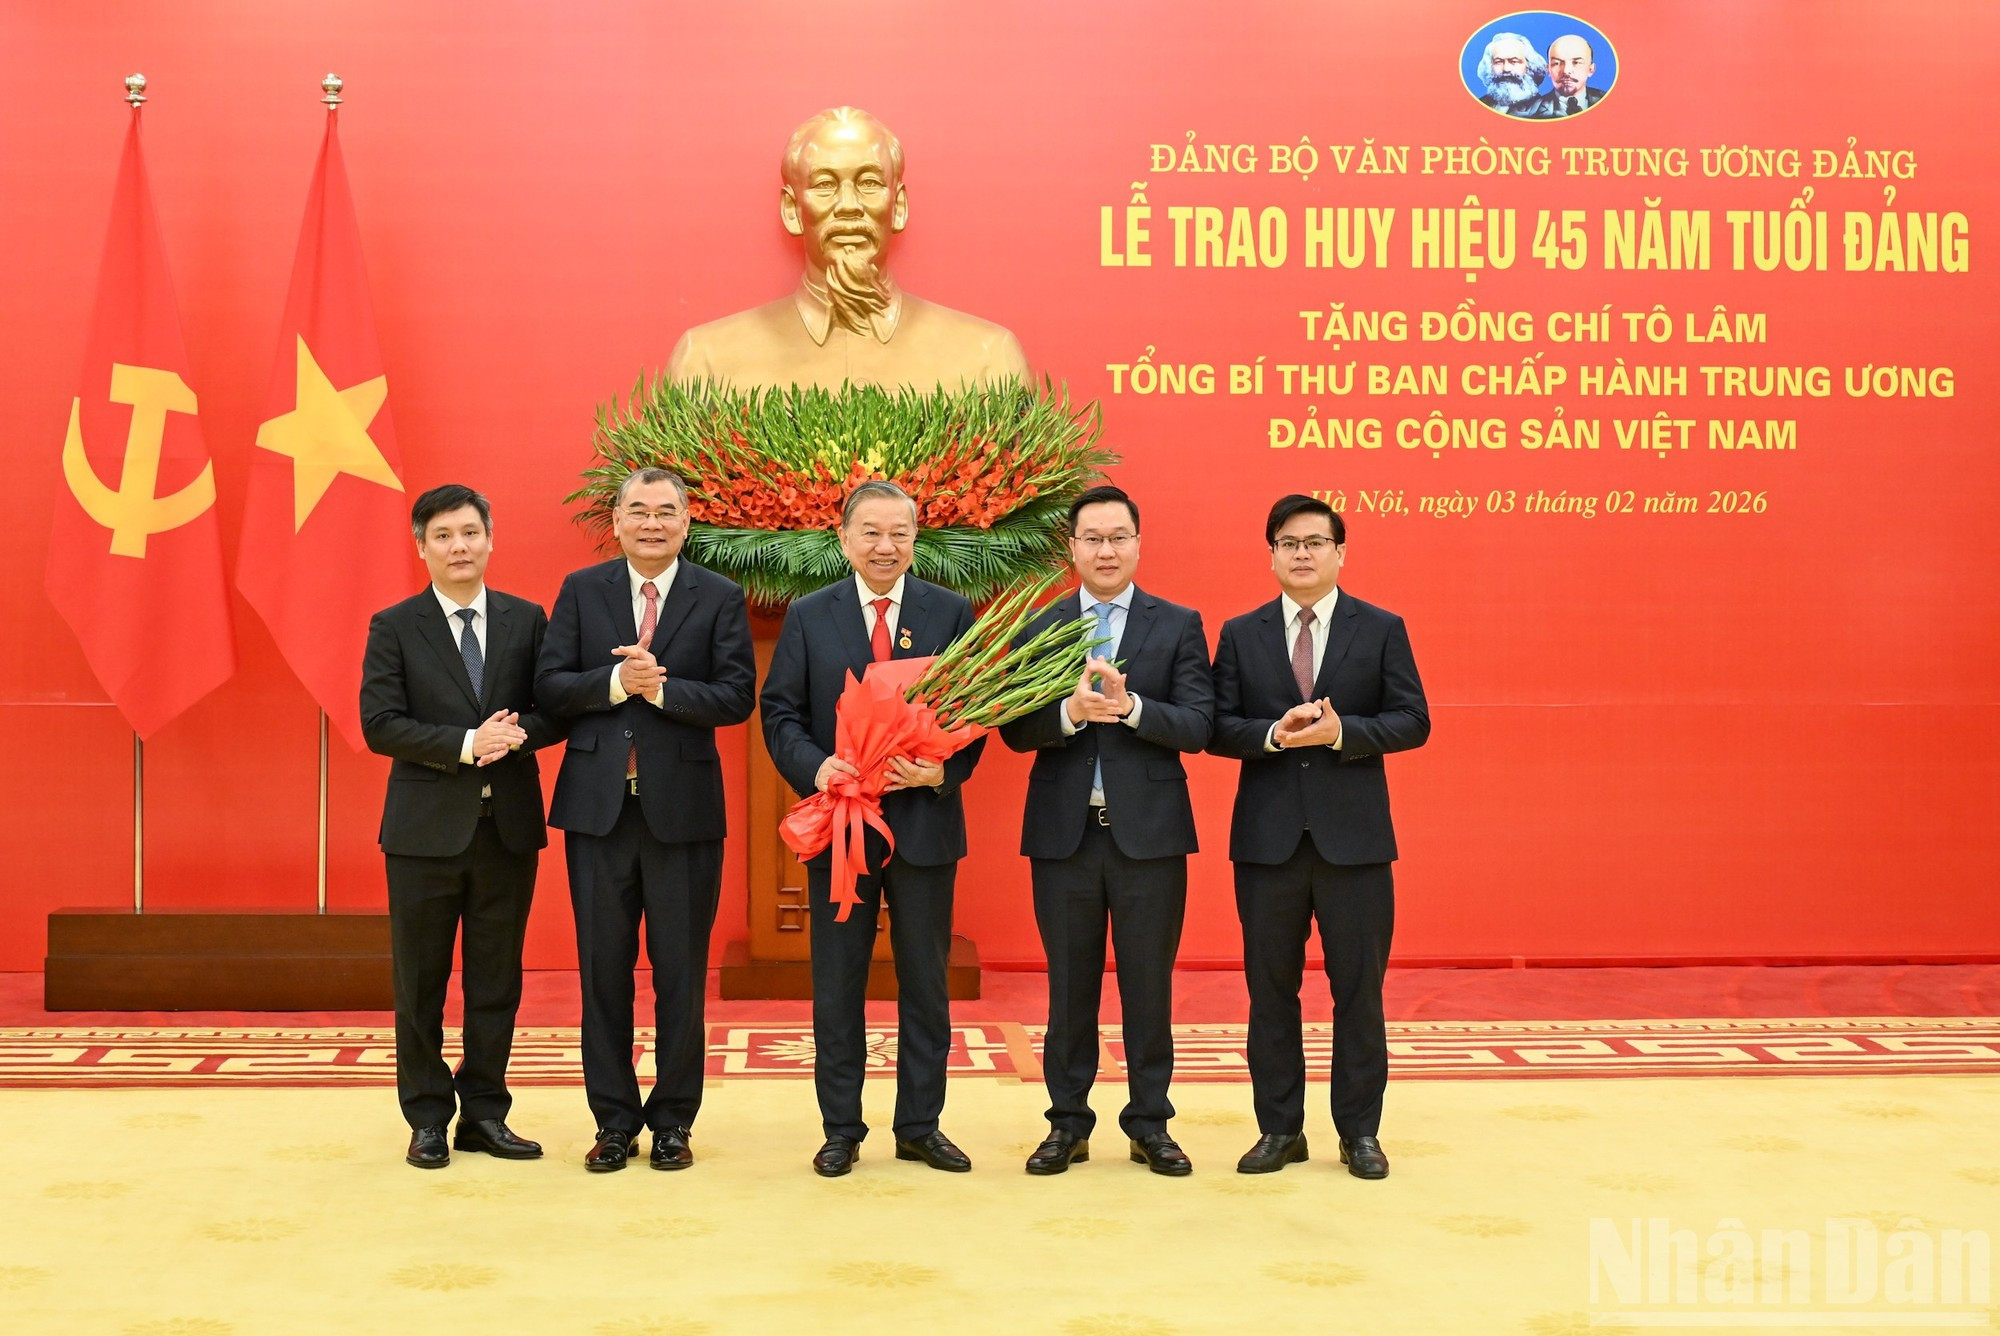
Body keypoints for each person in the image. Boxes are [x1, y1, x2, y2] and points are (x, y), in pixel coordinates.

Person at [759, 480, 986, 1177]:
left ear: (917, 539)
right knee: (839, 979)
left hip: (923, 824)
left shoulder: (948, 612)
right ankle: (841, 1128)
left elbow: (978, 711)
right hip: (842, 824)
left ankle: (921, 1123)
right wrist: (816, 766)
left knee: (925, 980)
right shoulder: (808, 615)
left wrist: (940, 773)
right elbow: (780, 714)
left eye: (900, 533)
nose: (886, 546)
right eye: (872, 533)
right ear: (845, 539)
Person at [535, 467, 756, 1172]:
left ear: (687, 523)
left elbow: (736, 696)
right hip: (598, 814)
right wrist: (612, 684)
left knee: (680, 973)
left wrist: (661, 689)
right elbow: (549, 686)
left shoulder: (718, 596)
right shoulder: (581, 590)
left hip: (684, 814)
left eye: (666, 512)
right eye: (639, 512)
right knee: (602, 971)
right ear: (619, 522)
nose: (653, 523)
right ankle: (612, 1121)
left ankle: (672, 1121)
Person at [1208, 495, 1430, 1179]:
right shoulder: (1241, 633)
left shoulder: (1381, 627)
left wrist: (1345, 734)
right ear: (1271, 553)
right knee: (1269, 991)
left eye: (1314, 542)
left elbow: (1413, 719)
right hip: (1268, 845)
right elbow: (1216, 727)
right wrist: (1273, 734)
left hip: (1355, 845)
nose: (1301, 554)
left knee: (1357, 991)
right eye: (1287, 543)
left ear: (1340, 552)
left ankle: (1359, 1132)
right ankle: (1279, 1130)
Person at [998, 485, 1213, 1177]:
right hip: (1065, 837)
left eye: (1118, 537)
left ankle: (1150, 1123)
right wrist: (1068, 711)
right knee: (1070, 987)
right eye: (1092, 538)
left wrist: (1132, 708)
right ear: (1072, 548)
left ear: (1139, 544)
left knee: (1149, 986)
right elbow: (1015, 728)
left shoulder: (1177, 624)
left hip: (1149, 837)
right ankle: (1067, 1124)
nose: (1106, 549)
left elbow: (1199, 725)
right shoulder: (1042, 626)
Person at [361, 483, 564, 1170]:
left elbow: (553, 708)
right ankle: (425, 1117)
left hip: (506, 829)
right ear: (422, 546)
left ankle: (484, 1112)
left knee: (495, 980)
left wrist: (515, 736)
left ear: (490, 539)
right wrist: (465, 743)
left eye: (470, 532)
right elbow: (380, 724)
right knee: (419, 981)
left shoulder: (524, 619)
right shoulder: (394, 625)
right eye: (443, 535)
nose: (458, 546)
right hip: (423, 834)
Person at [667, 106, 1029, 393]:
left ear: (898, 206)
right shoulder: (706, 363)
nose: (849, 205)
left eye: (869, 182)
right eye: (824, 184)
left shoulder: (988, 361)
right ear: (792, 210)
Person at [1523, 34, 1609, 117]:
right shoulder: (1529, 113)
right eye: (1557, 63)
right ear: (1548, 69)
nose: (1566, 71)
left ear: (1591, 69)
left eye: (1576, 63)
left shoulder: (1611, 102)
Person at [1474, 32, 1548, 113]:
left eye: (1514, 61)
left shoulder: (1544, 109)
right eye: (1499, 62)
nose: (1506, 68)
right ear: (1489, 67)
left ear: (1529, 66)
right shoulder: (1478, 105)